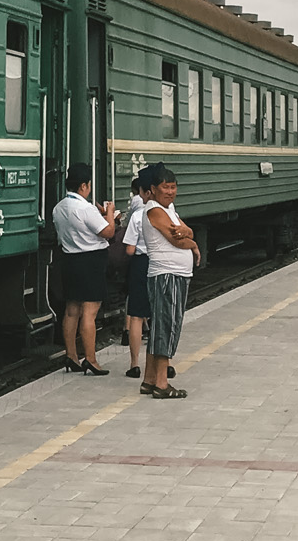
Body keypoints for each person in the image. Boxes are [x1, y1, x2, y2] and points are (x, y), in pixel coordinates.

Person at [52, 163, 117, 375]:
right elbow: (107, 232)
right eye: (88, 185)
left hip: (69, 260)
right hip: (90, 261)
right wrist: (109, 214)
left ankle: (71, 355)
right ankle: (91, 359)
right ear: (83, 186)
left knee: (71, 310)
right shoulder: (86, 208)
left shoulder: (59, 207)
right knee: (89, 312)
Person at [141, 164, 198, 398]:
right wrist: (192, 244)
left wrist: (188, 234)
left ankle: (149, 379)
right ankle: (162, 384)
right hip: (167, 275)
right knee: (166, 326)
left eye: (174, 187)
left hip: (172, 275)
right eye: (166, 187)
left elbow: (188, 231)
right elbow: (178, 240)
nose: (170, 192)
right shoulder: (154, 211)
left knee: (159, 328)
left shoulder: (169, 209)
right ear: (153, 189)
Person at [122, 168, 152, 378]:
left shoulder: (138, 216)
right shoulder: (170, 213)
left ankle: (134, 365)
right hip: (161, 264)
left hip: (141, 265)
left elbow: (130, 249)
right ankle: (163, 363)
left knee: (136, 317)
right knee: (160, 315)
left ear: (142, 192)